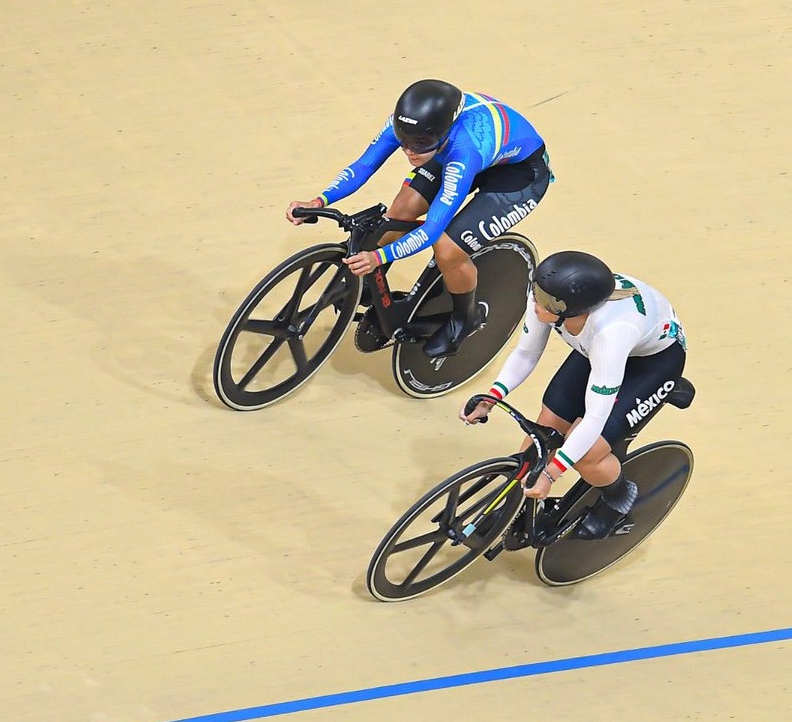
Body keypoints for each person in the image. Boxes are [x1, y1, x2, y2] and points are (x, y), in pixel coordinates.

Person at [286, 79, 552, 358]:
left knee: (448, 248)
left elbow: (431, 231)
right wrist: (318, 201)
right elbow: (364, 166)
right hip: (445, 150)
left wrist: (379, 257)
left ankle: (464, 320)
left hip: (518, 176)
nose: (410, 151)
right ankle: (370, 284)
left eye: (419, 144)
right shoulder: (413, 128)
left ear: (443, 132)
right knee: (398, 213)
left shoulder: (463, 151)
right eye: (403, 142)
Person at [460, 251, 688, 540]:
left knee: (588, 456)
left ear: (571, 309)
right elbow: (526, 353)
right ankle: (517, 503)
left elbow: (594, 419)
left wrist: (551, 474)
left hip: (652, 364)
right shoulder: (550, 299)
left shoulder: (611, 333)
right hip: (599, 350)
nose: (534, 300)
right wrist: (493, 396)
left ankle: (618, 499)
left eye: (544, 299)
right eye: (536, 290)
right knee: (544, 432)